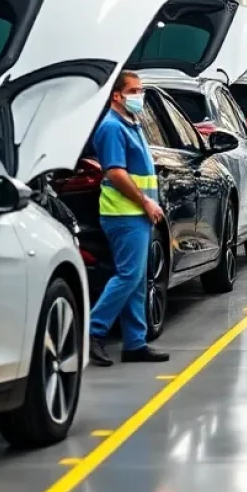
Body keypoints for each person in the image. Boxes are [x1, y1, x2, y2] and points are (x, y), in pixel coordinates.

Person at [88, 70, 170, 368]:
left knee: (136, 280)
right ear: (116, 95)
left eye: (140, 90)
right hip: (123, 214)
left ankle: (135, 343)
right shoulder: (111, 127)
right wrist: (146, 201)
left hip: (136, 215)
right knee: (128, 276)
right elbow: (115, 172)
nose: (139, 96)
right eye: (133, 91)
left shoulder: (131, 124)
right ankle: (93, 331)